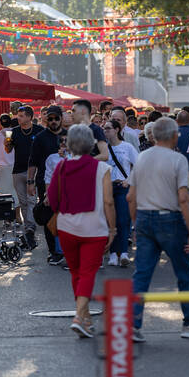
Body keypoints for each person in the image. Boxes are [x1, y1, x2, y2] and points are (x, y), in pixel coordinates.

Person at [127, 117, 189, 342]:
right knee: (183, 272)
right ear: (174, 136)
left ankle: (133, 324)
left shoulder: (142, 157)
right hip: (170, 219)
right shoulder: (177, 160)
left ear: (154, 135)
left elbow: (130, 196)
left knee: (142, 273)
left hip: (144, 217)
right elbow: (184, 199)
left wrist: (136, 224)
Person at [48, 124, 115, 339]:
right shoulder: (102, 169)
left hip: (67, 227)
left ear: (69, 144)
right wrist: (113, 229)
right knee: (88, 273)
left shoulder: (61, 166)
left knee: (76, 272)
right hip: (94, 227)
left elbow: (52, 197)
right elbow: (108, 201)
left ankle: (85, 318)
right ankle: (79, 316)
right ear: (92, 143)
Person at [28, 105, 67, 264]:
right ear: (46, 120)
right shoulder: (40, 137)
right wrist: (30, 182)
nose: (53, 121)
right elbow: (33, 162)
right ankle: (54, 252)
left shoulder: (69, 135)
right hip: (45, 182)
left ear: (61, 119)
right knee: (50, 216)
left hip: (69, 184)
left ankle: (66, 249)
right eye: (49, 119)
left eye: (56, 118)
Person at [5, 105, 43, 250]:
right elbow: (8, 150)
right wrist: (6, 144)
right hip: (17, 170)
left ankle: (30, 228)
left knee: (32, 199)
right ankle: (29, 226)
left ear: (29, 117)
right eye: (18, 116)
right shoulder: (13, 132)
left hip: (32, 171)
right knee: (23, 201)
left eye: (21, 116)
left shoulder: (39, 131)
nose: (18, 118)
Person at [103, 118, 136, 267]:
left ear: (116, 130)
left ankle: (123, 253)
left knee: (123, 220)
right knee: (111, 221)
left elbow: (139, 164)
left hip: (122, 186)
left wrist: (129, 179)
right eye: (104, 128)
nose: (105, 131)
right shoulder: (102, 148)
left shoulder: (127, 147)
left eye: (108, 128)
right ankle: (112, 254)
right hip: (107, 187)